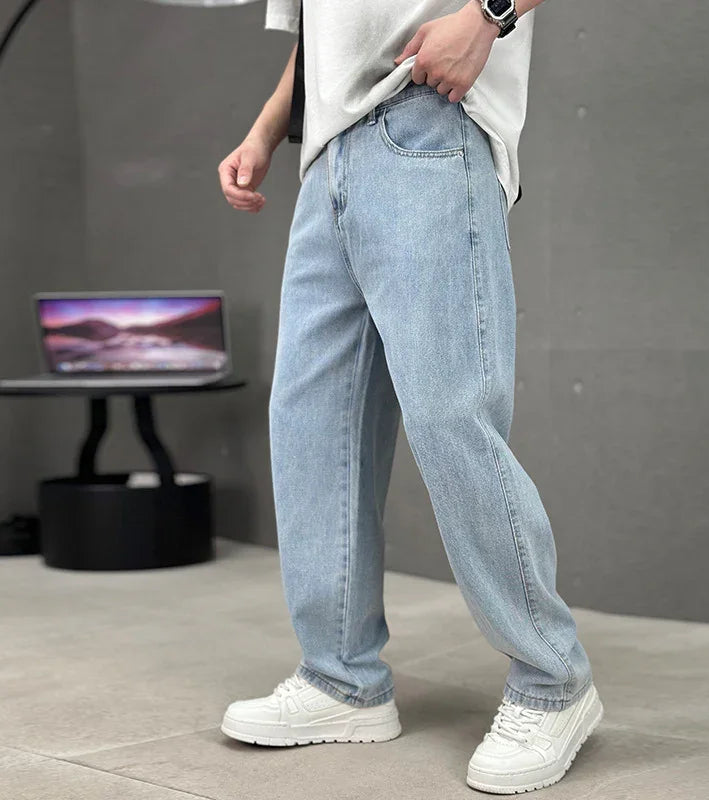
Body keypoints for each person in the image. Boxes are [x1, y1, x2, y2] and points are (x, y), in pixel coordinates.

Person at [217, 0, 602, 793]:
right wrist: (264, 130)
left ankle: (553, 681)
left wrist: (489, 15)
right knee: (311, 424)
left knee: (449, 414)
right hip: (326, 161)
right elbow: (317, 38)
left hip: (427, 121)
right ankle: (340, 680)